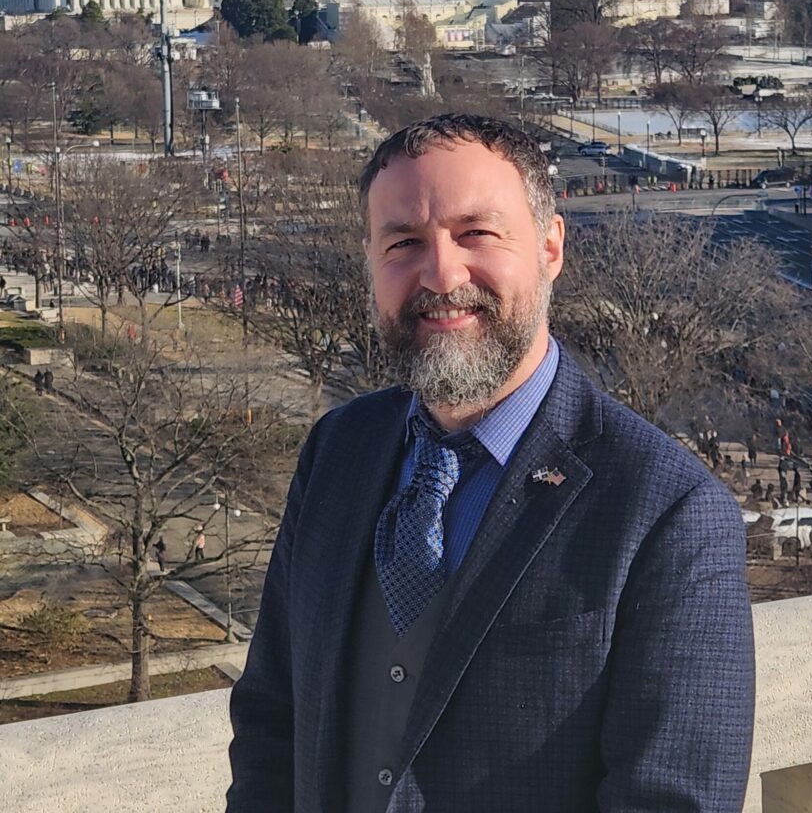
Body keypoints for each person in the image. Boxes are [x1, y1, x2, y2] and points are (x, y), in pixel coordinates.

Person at [227, 115, 755, 813]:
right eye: (404, 243)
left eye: (476, 233)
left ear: (549, 247)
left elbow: (672, 801)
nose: (441, 274)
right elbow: (272, 717)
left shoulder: (669, 512)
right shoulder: (338, 450)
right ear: (370, 263)